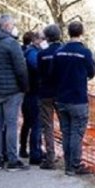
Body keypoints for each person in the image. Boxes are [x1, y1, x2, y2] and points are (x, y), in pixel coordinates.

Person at [0, 14, 29, 171]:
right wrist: (24, 87)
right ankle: (12, 160)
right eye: (12, 25)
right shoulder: (11, 44)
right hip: (11, 91)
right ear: (7, 26)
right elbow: (21, 69)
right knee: (11, 125)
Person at [51, 21, 95, 176]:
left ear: (68, 32)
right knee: (76, 132)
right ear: (81, 33)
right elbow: (91, 72)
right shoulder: (85, 53)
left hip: (61, 98)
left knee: (66, 132)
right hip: (78, 99)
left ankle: (68, 164)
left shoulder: (59, 52)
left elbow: (52, 73)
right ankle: (74, 165)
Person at [36, 24, 63, 170]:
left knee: (47, 126)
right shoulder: (62, 52)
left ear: (46, 37)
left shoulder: (41, 54)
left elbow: (39, 73)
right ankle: (69, 157)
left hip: (45, 92)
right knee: (65, 126)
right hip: (60, 93)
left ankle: (50, 157)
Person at [19, 31, 44, 165]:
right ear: (36, 40)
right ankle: (35, 153)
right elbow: (38, 67)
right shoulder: (32, 53)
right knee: (36, 124)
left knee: (28, 123)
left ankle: (25, 148)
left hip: (30, 93)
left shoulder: (29, 52)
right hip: (33, 93)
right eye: (42, 39)